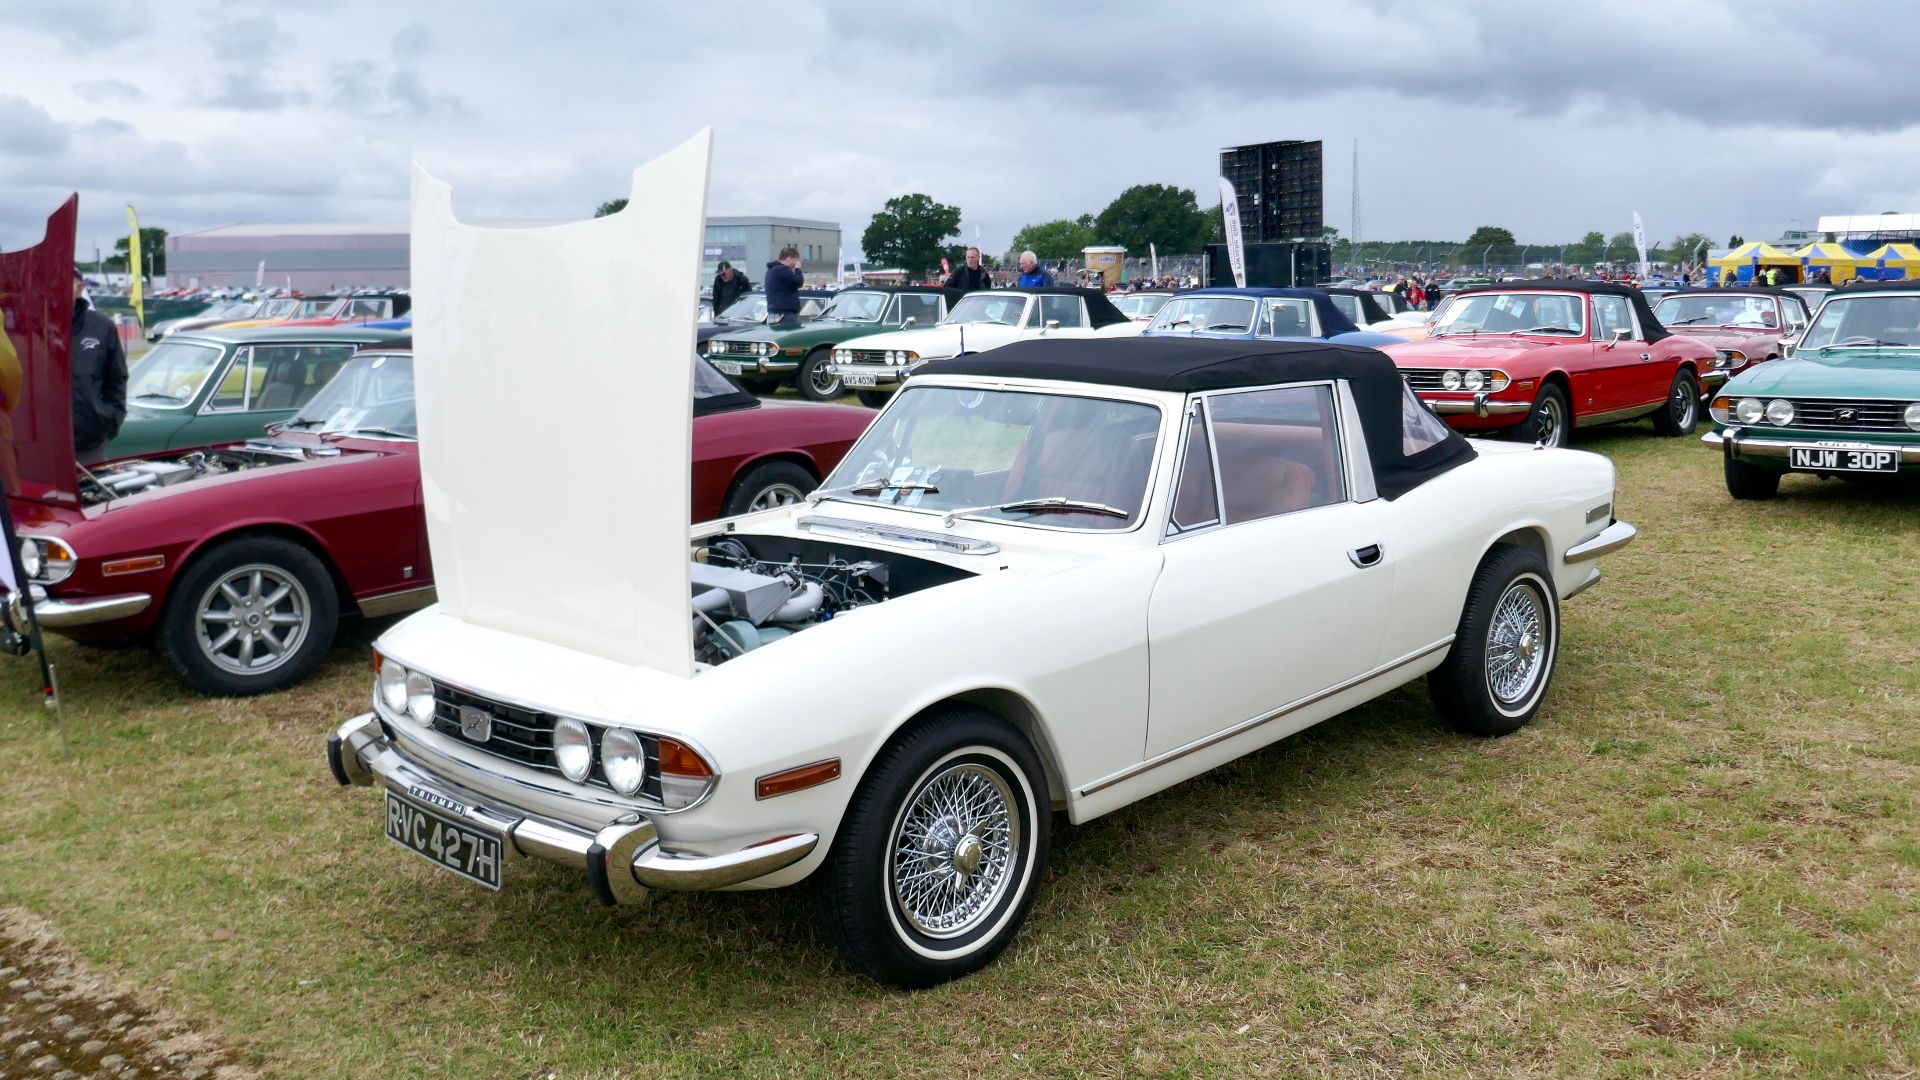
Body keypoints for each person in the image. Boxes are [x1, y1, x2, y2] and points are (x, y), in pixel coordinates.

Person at [71, 267, 127, 463]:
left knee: (91, 493)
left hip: (89, 445)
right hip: (40, 444)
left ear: (79, 289)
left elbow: (117, 379)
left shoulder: (102, 328)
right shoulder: (29, 326)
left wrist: (110, 420)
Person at [764, 246, 804, 327]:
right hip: (785, 313)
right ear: (789, 258)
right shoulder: (782, 270)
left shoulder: (771, 270)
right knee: (792, 337)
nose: (796, 263)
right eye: (796, 260)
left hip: (774, 312)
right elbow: (799, 282)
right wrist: (797, 269)